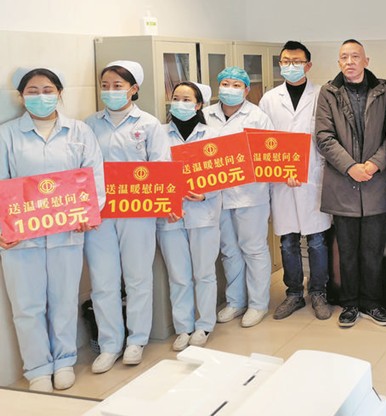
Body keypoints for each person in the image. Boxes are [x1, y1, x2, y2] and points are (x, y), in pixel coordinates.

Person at [0, 68, 105, 392]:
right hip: (21, 236)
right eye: (32, 91)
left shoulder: (79, 131)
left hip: (67, 231)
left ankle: (64, 361)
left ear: (59, 93)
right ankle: (37, 369)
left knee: (63, 300)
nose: (41, 96)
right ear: (21, 97)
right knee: (27, 306)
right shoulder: (7, 134)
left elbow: (94, 176)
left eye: (47, 90)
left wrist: (90, 212)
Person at [84, 60, 170, 373]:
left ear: (133, 89)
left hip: (137, 212)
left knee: (137, 277)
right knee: (103, 280)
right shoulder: (89, 125)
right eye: (105, 85)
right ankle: (109, 344)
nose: (110, 91)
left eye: (117, 86)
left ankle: (136, 340)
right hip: (100, 214)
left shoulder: (149, 124)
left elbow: (161, 167)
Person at [315, 39, 386, 327]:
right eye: (344, 57)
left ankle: (372, 303)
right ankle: (349, 304)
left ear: (366, 60)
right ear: (339, 62)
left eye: (355, 57)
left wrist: (374, 164)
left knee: (373, 250)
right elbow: (323, 136)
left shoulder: (384, 91)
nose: (349, 62)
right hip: (343, 183)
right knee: (346, 251)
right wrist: (350, 167)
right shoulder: (328, 93)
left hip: (375, 181)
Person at [259, 41, 333, 321]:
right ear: (280, 64)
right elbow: (263, 142)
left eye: (297, 61)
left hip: (313, 178)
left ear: (308, 65)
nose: (291, 66)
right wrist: (279, 170)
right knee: (288, 241)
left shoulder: (322, 95)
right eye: (286, 61)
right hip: (281, 181)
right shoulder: (269, 99)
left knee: (316, 241)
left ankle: (319, 292)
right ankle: (293, 294)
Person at [204, 66, 275, 328]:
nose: (230, 89)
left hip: (250, 195)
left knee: (253, 249)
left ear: (246, 90)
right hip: (217, 195)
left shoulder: (258, 117)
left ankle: (258, 304)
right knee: (229, 250)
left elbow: (270, 154)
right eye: (226, 84)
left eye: (237, 85)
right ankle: (236, 301)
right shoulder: (206, 116)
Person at [157, 82, 222, 351]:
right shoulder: (159, 134)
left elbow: (224, 173)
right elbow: (153, 173)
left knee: (204, 273)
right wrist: (164, 203)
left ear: (198, 105)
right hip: (170, 215)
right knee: (178, 276)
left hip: (204, 213)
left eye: (186, 99)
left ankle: (204, 324)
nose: (180, 103)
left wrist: (206, 193)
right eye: (176, 98)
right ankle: (183, 327)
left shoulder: (212, 134)